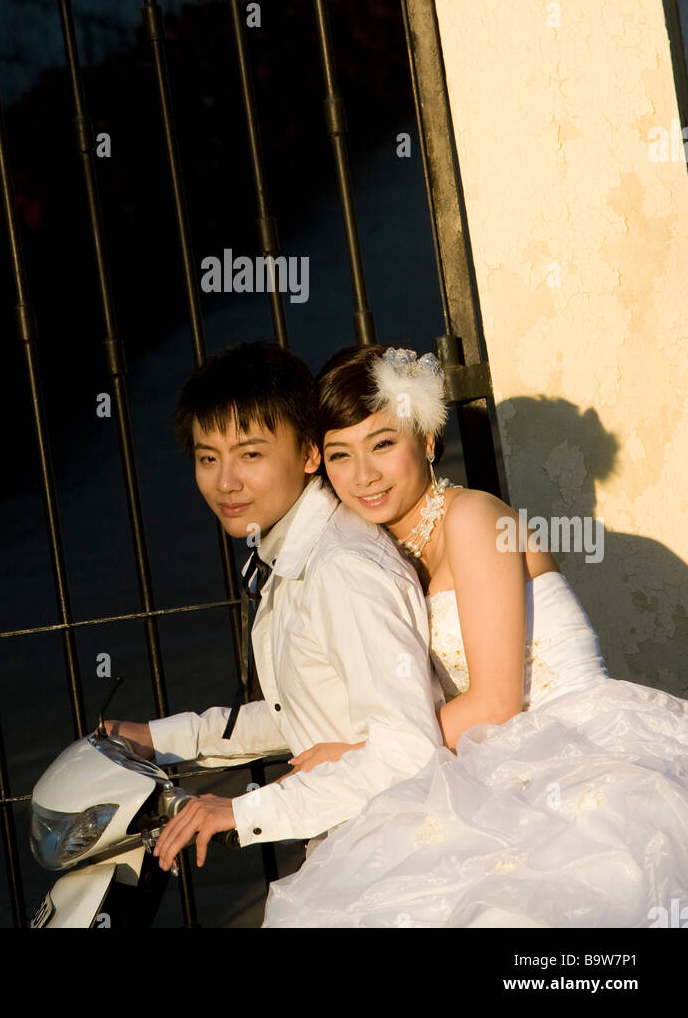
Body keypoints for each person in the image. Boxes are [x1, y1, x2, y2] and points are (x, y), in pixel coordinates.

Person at [261, 343, 688, 928]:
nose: (363, 476)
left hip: (573, 743)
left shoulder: (476, 519)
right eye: (341, 455)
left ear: (428, 440)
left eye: (383, 444)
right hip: (490, 759)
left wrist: (365, 753)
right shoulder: (383, 554)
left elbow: (496, 702)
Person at [105, 339, 445, 873]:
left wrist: (244, 811)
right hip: (357, 842)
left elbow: (408, 753)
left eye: (251, 455)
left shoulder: (340, 570)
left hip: (400, 855)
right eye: (207, 459)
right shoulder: (295, 552)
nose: (225, 483)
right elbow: (308, 709)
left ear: (310, 453)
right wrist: (162, 739)